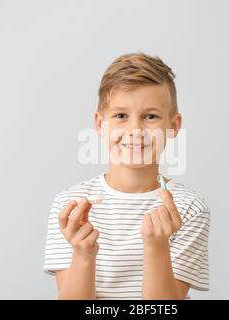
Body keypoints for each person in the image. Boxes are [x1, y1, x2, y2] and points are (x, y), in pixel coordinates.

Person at [43, 52, 211, 300]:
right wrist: (83, 254)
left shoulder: (189, 209)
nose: (135, 130)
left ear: (173, 126)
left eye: (150, 116)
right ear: (101, 124)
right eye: (121, 116)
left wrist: (157, 247)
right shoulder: (71, 206)